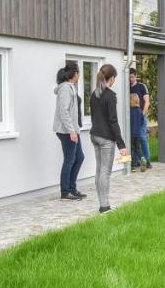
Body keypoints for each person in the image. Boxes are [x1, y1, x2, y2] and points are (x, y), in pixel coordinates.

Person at [89, 64, 126, 213]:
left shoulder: (94, 94)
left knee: (99, 170)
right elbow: (113, 121)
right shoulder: (110, 96)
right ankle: (104, 206)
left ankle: (103, 204)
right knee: (105, 171)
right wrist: (121, 144)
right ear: (111, 78)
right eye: (114, 78)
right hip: (105, 138)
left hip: (95, 135)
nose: (114, 81)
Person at [53, 62, 86, 200]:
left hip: (72, 129)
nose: (79, 76)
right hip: (66, 131)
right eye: (78, 73)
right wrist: (72, 131)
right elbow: (64, 112)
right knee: (70, 159)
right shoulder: (66, 89)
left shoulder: (71, 87)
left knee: (79, 157)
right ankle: (65, 191)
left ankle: (72, 188)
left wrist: (75, 130)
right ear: (73, 74)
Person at [128, 68, 151, 172]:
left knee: (142, 137)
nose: (130, 79)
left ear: (135, 76)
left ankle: (147, 159)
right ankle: (136, 161)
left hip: (140, 116)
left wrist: (142, 114)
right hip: (130, 117)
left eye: (132, 77)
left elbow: (147, 102)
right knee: (132, 142)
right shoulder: (126, 87)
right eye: (129, 77)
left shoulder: (142, 86)